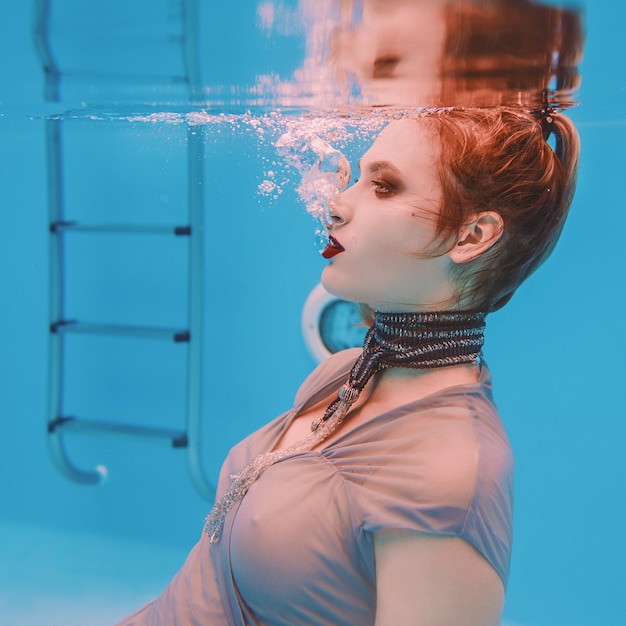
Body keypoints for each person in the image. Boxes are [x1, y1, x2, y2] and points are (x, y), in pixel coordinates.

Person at [117, 105, 579, 625]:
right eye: (359, 178)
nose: (336, 204)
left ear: (471, 236)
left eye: (384, 187)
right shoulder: (341, 373)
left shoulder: (449, 473)